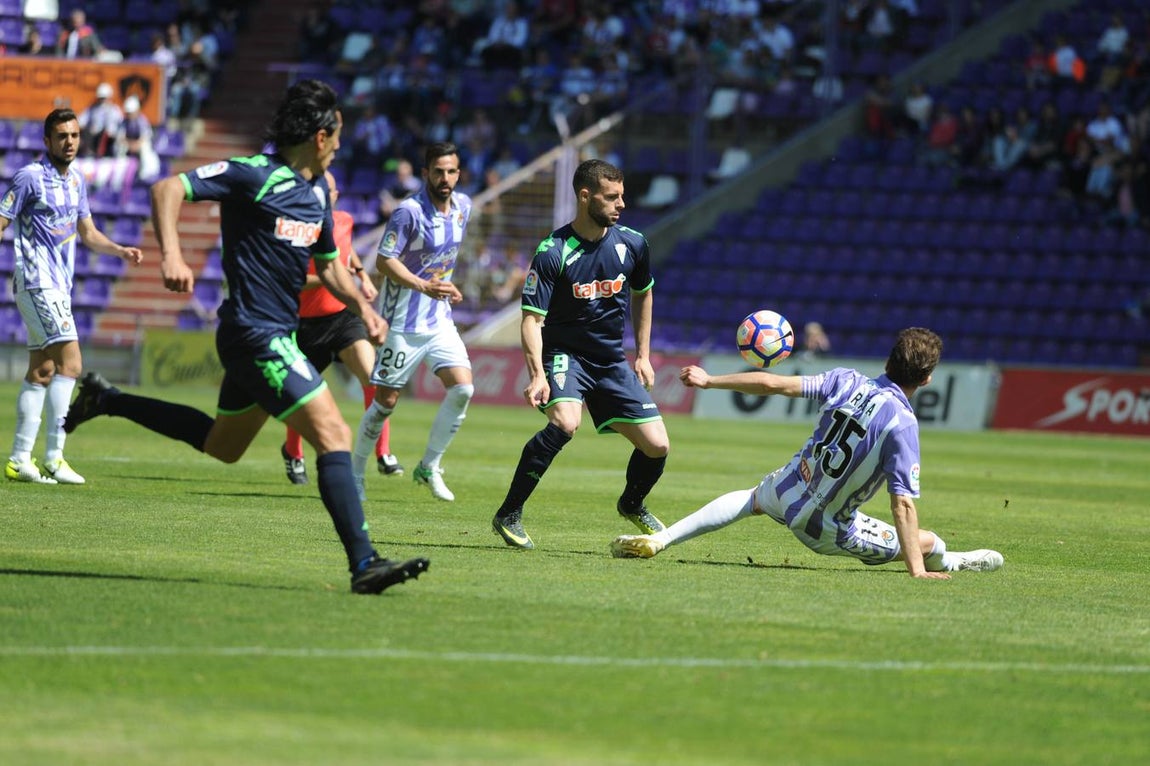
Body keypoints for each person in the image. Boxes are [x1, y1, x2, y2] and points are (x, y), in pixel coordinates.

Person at [62, 79, 428, 594]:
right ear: (320, 136)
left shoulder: (317, 195)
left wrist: (363, 307)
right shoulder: (252, 173)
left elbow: (329, 268)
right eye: (338, 135)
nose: (341, 146)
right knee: (334, 433)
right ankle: (364, 562)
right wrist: (172, 255)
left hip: (273, 334)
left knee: (224, 445)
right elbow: (167, 189)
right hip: (255, 332)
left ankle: (107, 399)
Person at [611, 328, 1004, 579]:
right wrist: (916, 571)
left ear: (888, 361)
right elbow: (902, 504)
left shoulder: (846, 380)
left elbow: (772, 384)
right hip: (827, 527)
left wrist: (710, 380)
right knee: (929, 541)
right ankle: (955, 561)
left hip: (788, 488)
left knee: (751, 498)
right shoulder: (902, 425)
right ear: (928, 379)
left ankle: (663, 538)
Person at [491, 159, 670, 549]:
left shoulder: (633, 244)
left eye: (622, 196)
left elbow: (644, 294)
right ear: (585, 196)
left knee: (657, 446)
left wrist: (643, 354)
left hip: (610, 360)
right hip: (565, 356)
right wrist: (537, 375)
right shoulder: (553, 251)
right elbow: (531, 320)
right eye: (612, 197)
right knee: (565, 422)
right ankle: (509, 512)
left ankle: (632, 503)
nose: (621, 204)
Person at [1, 108, 144, 485]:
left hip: (58, 286)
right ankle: (54, 456)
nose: (70, 142)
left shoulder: (77, 180)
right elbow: (1, 219)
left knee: (43, 371)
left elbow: (89, 233)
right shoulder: (30, 177)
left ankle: (19, 460)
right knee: (72, 363)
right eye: (62, 136)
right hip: (37, 282)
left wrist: (120, 250)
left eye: (75, 135)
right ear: (47, 141)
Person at [351, 142, 474, 503]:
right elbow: (384, 261)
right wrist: (424, 285)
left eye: (451, 171)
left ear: (458, 174)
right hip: (403, 323)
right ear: (425, 174)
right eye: (438, 171)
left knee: (463, 389)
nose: (445, 178)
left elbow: (442, 260)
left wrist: (447, 286)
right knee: (385, 402)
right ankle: (354, 474)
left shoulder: (463, 207)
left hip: (439, 321)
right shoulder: (409, 212)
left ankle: (429, 466)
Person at [280, 170, 403, 486]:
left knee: (374, 378)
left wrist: (360, 276)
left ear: (334, 196)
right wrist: (332, 279)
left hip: (343, 317)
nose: (325, 193)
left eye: (330, 189)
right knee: (300, 394)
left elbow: (346, 251)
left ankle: (383, 452)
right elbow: (291, 279)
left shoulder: (343, 219)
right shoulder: (293, 227)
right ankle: (293, 452)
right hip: (304, 323)